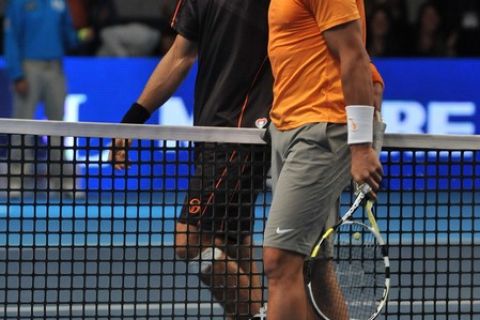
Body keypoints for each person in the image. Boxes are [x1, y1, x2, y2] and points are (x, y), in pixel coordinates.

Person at [109, 0, 272, 318]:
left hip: (245, 132)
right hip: (211, 131)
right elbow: (179, 56)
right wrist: (132, 121)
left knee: (191, 240)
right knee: (231, 242)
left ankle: (260, 316)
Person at [263, 0, 385, 319]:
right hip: (289, 128)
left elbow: (354, 55)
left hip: (320, 133)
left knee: (281, 260)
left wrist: (360, 146)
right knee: (311, 266)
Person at [3, 0, 84, 198]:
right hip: (28, 67)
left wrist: (80, 33)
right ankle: (16, 178)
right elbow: (11, 37)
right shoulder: (18, 3)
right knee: (22, 125)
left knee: (58, 126)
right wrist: (17, 74)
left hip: (55, 67)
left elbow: (69, 36)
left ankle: (62, 180)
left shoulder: (59, 3)